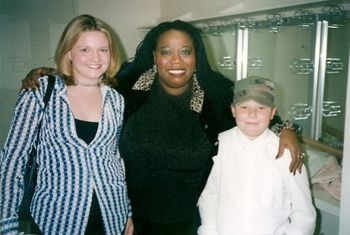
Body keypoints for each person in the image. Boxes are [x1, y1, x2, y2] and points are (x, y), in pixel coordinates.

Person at [20, 20, 304, 235]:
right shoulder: (129, 88)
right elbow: (88, 79)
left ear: (196, 57)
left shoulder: (215, 95)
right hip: (128, 221)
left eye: (185, 52)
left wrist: (287, 128)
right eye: (166, 52)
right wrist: (52, 75)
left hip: (191, 223)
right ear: (155, 57)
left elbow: (254, 112)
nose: (176, 61)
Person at [0, 14, 133, 235]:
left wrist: (127, 212)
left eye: (103, 49)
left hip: (111, 217)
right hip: (57, 220)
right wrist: (6, 225)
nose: (95, 58)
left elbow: (116, 160)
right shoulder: (41, 91)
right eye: (84, 50)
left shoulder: (115, 99)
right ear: (68, 52)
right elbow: (12, 160)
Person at [197, 76, 316, 235]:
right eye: (244, 107)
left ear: (273, 112)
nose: (252, 115)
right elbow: (209, 197)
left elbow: (304, 214)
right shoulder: (220, 145)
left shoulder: (288, 154)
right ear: (233, 110)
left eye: (261, 108)